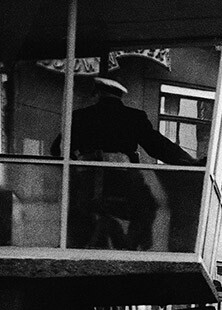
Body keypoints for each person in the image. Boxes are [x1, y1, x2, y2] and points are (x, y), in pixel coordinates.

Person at [51, 73, 201, 250]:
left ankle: (77, 244)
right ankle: (130, 246)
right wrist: (189, 161)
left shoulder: (81, 116)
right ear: (120, 95)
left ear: (97, 92)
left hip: (87, 183)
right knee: (149, 208)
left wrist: (78, 164)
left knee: (78, 212)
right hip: (123, 182)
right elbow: (158, 146)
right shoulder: (133, 117)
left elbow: (57, 150)